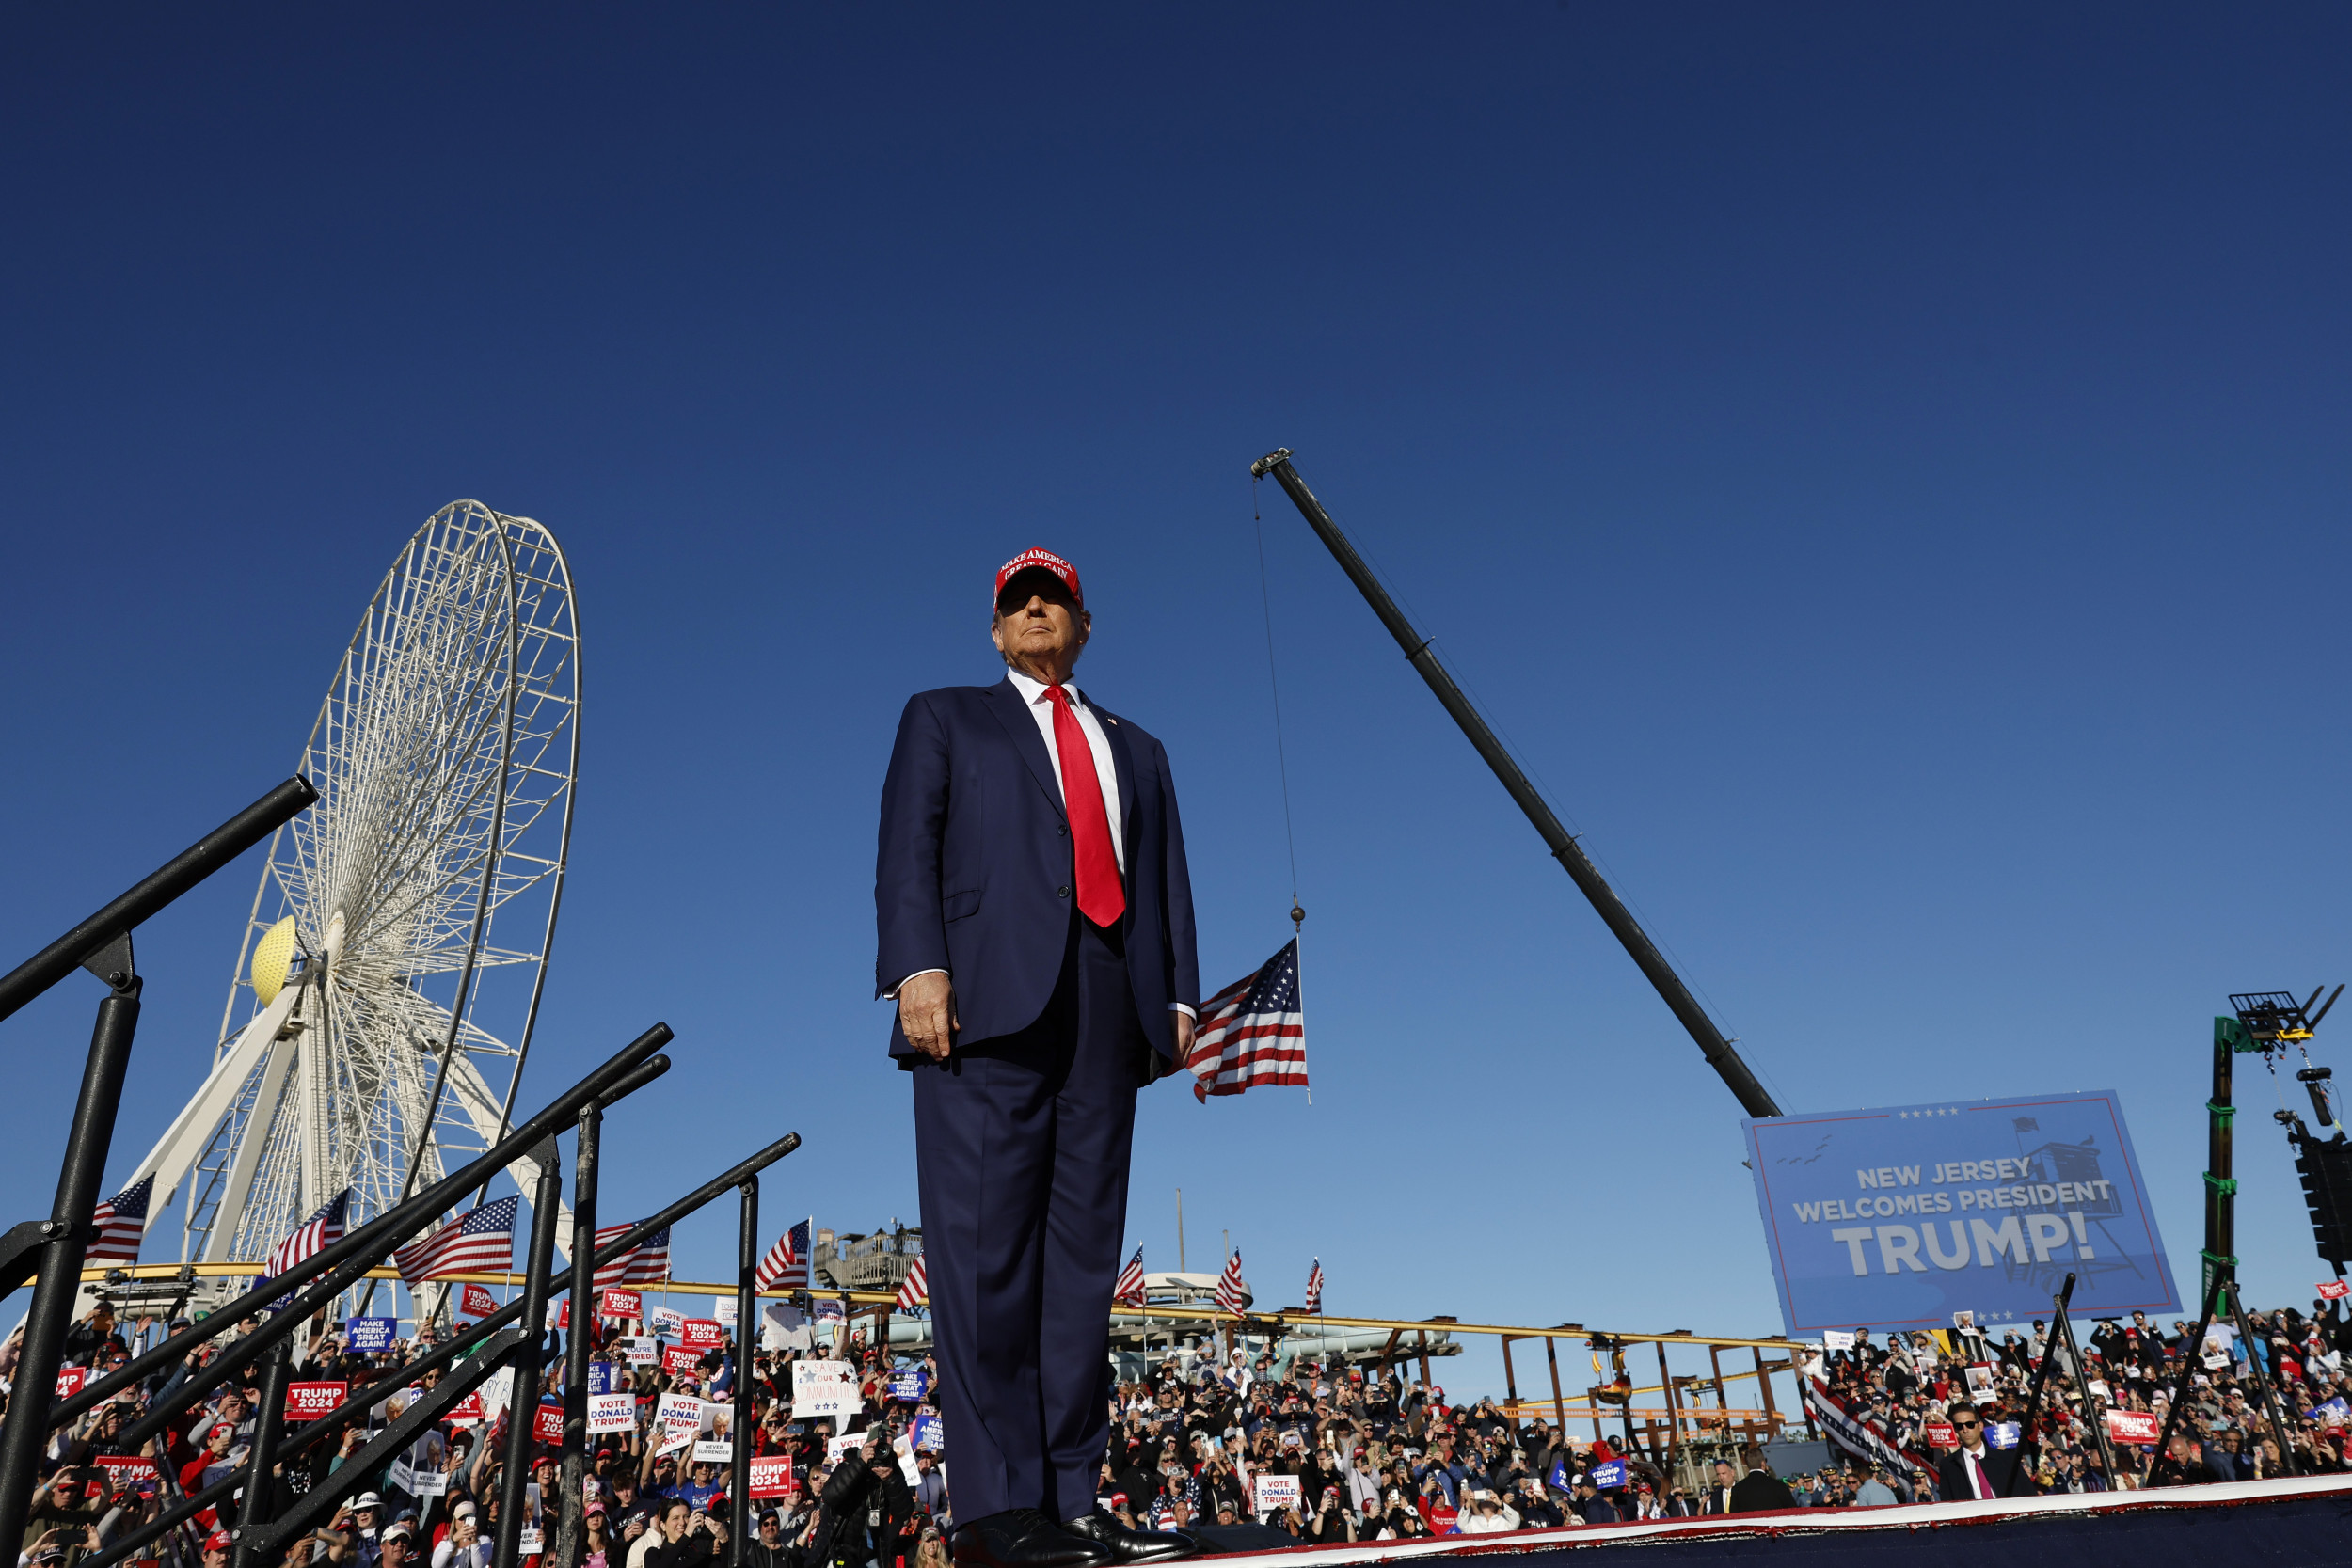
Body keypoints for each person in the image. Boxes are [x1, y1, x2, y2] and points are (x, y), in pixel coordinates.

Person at [877, 550, 1200, 1568]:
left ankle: (1071, 1499)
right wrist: (918, 966)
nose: (1033, 611)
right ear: (994, 630)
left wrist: (1178, 994)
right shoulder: (943, 715)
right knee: (983, 1262)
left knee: (1080, 1266)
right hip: (983, 1003)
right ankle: (996, 1508)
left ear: (1084, 623)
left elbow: (1163, 876)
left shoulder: (1137, 745)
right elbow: (905, 846)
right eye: (1016, 601)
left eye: (1050, 599)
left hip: (1108, 1007)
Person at [1935, 1404, 2020, 1500]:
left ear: (1980, 1426)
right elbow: (1948, 1501)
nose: (1965, 1430)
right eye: (1959, 1426)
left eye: (1970, 1424)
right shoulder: (1949, 1465)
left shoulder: (2006, 1459)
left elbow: (2025, 1494)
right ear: (1955, 1430)